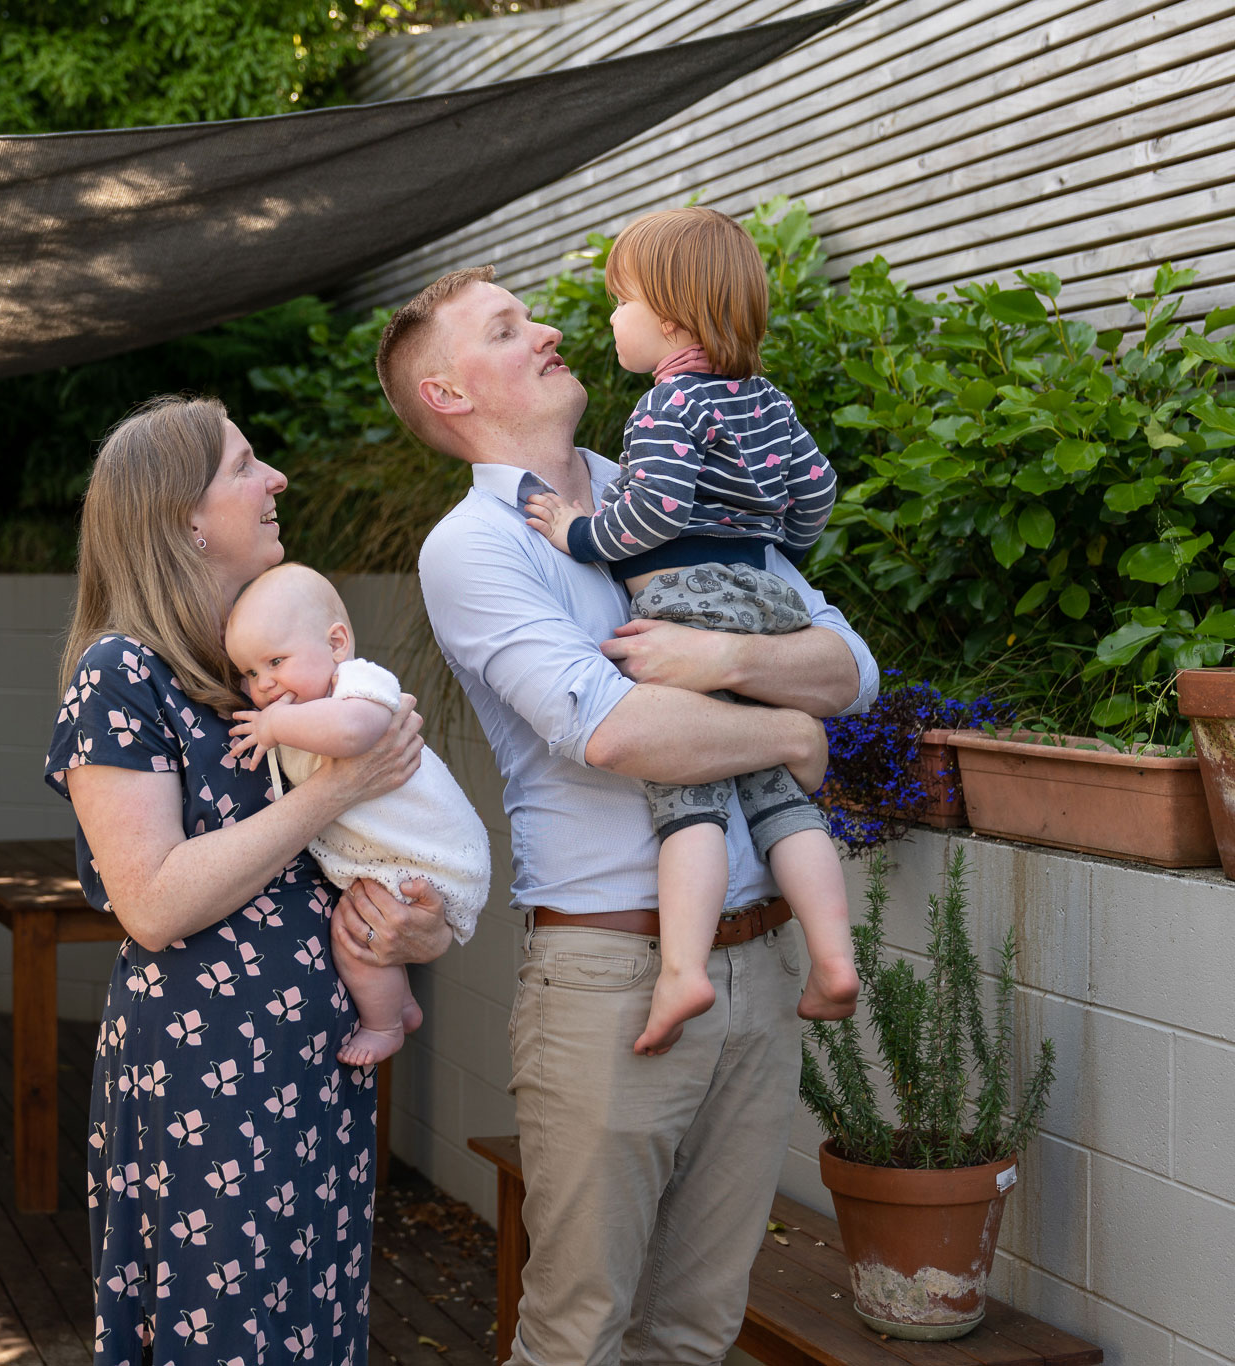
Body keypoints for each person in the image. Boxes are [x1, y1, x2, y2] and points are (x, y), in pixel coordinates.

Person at [377, 267, 879, 1365]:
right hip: (608, 981)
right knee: (577, 1332)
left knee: (697, 1331)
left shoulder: (671, 470)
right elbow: (610, 730)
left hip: (758, 972)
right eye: (508, 330)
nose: (550, 328)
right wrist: (787, 737)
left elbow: (850, 666)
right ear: (450, 394)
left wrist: (731, 660)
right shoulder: (473, 548)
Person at [43, 396, 454, 1366]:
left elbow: (377, 850)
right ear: (183, 514)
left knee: (306, 1330)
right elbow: (152, 903)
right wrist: (340, 786)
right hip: (205, 1081)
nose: (274, 480)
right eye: (244, 465)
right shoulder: (120, 674)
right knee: (215, 1336)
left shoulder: (268, 671)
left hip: (314, 1069)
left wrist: (416, 929)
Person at [519, 206, 858, 1055]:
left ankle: (682, 970)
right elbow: (817, 490)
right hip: (764, 595)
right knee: (777, 790)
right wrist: (777, 543)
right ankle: (834, 959)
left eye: (619, 301)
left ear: (668, 319)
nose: (609, 320)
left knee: (693, 790)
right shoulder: (768, 399)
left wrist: (577, 532)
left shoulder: (668, 404)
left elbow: (657, 507)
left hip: (684, 603)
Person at [223, 562, 491, 1067]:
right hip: (393, 862)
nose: (262, 684)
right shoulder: (299, 714)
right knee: (357, 934)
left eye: (276, 661)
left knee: (357, 940)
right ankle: (401, 1004)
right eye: (250, 672)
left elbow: (354, 733)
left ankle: (384, 1024)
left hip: (432, 857)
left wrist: (277, 723)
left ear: (337, 644)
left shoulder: (357, 684)